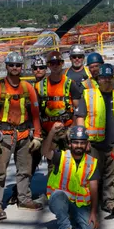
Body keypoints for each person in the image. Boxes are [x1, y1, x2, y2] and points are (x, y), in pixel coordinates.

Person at [0, 52, 43, 216]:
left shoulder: (27, 87)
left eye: (18, 65)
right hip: (4, 135)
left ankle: (23, 199)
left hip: (24, 134)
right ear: (7, 66)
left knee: (25, 170)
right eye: (12, 65)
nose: (15, 68)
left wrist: (37, 135)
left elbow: (35, 112)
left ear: (21, 67)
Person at [83, 64, 114, 218]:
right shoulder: (88, 95)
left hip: (113, 143)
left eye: (110, 78)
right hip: (93, 144)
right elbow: (79, 118)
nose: (107, 81)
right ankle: (91, 202)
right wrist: (82, 140)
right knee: (92, 175)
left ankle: (110, 202)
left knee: (112, 175)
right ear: (98, 79)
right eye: (103, 78)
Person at [42, 124, 99, 229]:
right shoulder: (61, 156)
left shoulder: (92, 162)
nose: (79, 145)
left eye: (82, 142)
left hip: (79, 206)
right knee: (58, 195)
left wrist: (93, 212)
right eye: (76, 142)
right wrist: (52, 131)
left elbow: (94, 189)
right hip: (59, 200)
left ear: (87, 144)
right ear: (70, 143)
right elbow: (45, 151)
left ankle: (72, 220)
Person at [34, 51, 85, 179]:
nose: (55, 65)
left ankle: (72, 191)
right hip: (49, 131)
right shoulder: (39, 86)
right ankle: (53, 193)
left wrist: (73, 128)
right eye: (52, 63)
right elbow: (35, 111)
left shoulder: (70, 83)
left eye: (58, 63)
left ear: (62, 64)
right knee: (53, 164)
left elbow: (77, 109)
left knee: (70, 163)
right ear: (48, 66)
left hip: (67, 129)